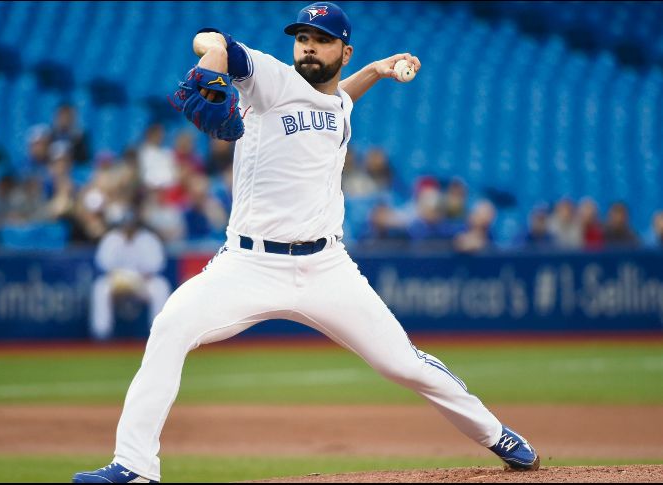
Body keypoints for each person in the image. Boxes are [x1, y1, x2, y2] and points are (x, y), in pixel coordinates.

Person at [73, 3, 539, 483]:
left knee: (405, 365)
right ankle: (135, 466)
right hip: (249, 264)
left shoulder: (339, 105)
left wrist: (376, 71)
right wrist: (209, 67)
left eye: (320, 39)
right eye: (302, 38)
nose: (308, 46)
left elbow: (340, 97)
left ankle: (496, 434)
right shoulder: (271, 80)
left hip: (327, 267)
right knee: (170, 327)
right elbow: (212, 41)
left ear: (344, 50)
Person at [89, 205, 171, 341]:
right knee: (100, 287)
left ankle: (159, 333)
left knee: (160, 286)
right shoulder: (112, 239)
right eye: (125, 224)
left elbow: (156, 266)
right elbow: (104, 265)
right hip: (118, 280)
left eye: (130, 224)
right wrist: (120, 278)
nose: (127, 227)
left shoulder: (148, 239)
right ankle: (101, 335)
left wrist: (139, 278)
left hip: (143, 282)